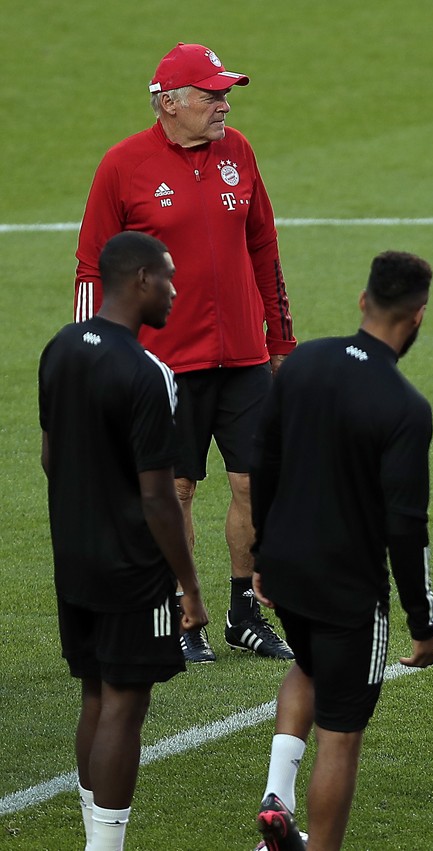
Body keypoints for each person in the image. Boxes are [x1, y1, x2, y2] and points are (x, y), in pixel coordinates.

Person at [74, 42, 297, 662]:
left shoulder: (240, 153)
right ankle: (181, 612)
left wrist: (279, 339)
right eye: (210, 95)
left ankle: (243, 613)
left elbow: (265, 252)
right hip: (165, 364)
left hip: (246, 358)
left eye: (226, 93)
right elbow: (92, 264)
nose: (223, 104)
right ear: (168, 101)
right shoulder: (123, 165)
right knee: (176, 490)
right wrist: (96, 351)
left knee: (255, 483)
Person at [248, 251, 433, 851]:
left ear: (363, 302)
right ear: (418, 318)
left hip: (286, 569)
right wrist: (420, 621)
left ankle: (277, 797)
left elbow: (265, 461)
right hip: (348, 590)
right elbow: (405, 527)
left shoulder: (303, 363)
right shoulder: (405, 407)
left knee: (306, 665)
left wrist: (261, 554)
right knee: (341, 733)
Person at [40, 230, 211, 851]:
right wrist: (189, 587)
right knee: (124, 705)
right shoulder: (149, 373)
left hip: (74, 559)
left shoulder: (60, 348)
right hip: (131, 568)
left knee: (94, 693)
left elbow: (50, 455)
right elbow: (158, 496)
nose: (174, 290)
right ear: (139, 281)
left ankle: (94, 839)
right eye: (167, 277)